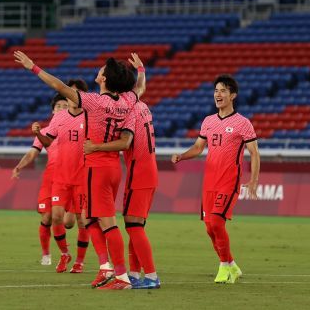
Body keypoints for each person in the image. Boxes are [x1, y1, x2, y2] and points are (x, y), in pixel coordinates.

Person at [15, 50, 144, 290]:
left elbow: (59, 86)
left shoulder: (95, 101)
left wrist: (33, 67)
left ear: (104, 79)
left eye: (102, 71)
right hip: (112, 167)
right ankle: (106, 268)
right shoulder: (128, 101)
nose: (99, 71)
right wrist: (141, 71)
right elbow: (139, 89)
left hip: (97, 166)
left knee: (108, 222)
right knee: (91, 218)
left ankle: (121, 277)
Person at [171, 74, 260, 284]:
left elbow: (254, 153)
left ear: (233, 95)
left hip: (228, 181)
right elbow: (198, 148)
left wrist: (254, 180)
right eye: (216, 91)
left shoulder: (242, 123)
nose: (218, 95)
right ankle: (231, 265)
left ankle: (223, 267)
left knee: (217, 223)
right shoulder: (208, 121)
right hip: (209, 181)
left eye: (223, 91)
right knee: (209, 227)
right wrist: (182, 156)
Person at [87, 54, 160, 289]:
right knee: (134, 225)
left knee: (134, 227)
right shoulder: (139, 103)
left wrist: (96, 146)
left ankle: (150, 276)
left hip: (140, 172)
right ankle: (137, 274)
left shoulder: (129, 110)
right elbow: (141, 87)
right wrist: (141, 69)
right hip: (146, 170)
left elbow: (125, 142)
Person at [32, 79, 91, 274]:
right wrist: (39, 133)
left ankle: (80, 262)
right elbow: (48, 141)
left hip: (82, 178)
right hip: (61, 177)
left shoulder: (91, 118)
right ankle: (65, 254)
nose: (71, 95)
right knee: (56, 217)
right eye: (69, 91)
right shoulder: (59, 118)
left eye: (75, 92)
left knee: (81, 222)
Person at [12, 93, 70, 267]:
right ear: (53, 110)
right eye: (59, 106)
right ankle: (50, 254)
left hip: (71, 175)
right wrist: (19, 166)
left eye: (65, 106)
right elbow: (32, 153)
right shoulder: (45, 132)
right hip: (51, 176)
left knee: (69, 221)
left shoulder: (76, 128)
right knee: (47, 217)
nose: (62, 108)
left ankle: (76, 257)